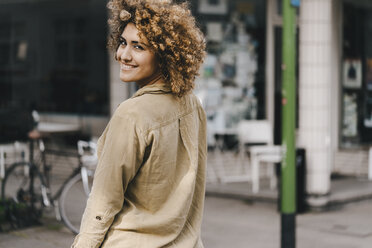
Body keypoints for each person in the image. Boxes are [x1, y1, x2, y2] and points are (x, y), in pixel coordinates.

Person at [71, 0, 207, 247]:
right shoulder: (191, 104)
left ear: (165, 55)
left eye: (139, 46)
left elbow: (103, 200)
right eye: (123, 42)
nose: (123, 55)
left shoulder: (131, 114)